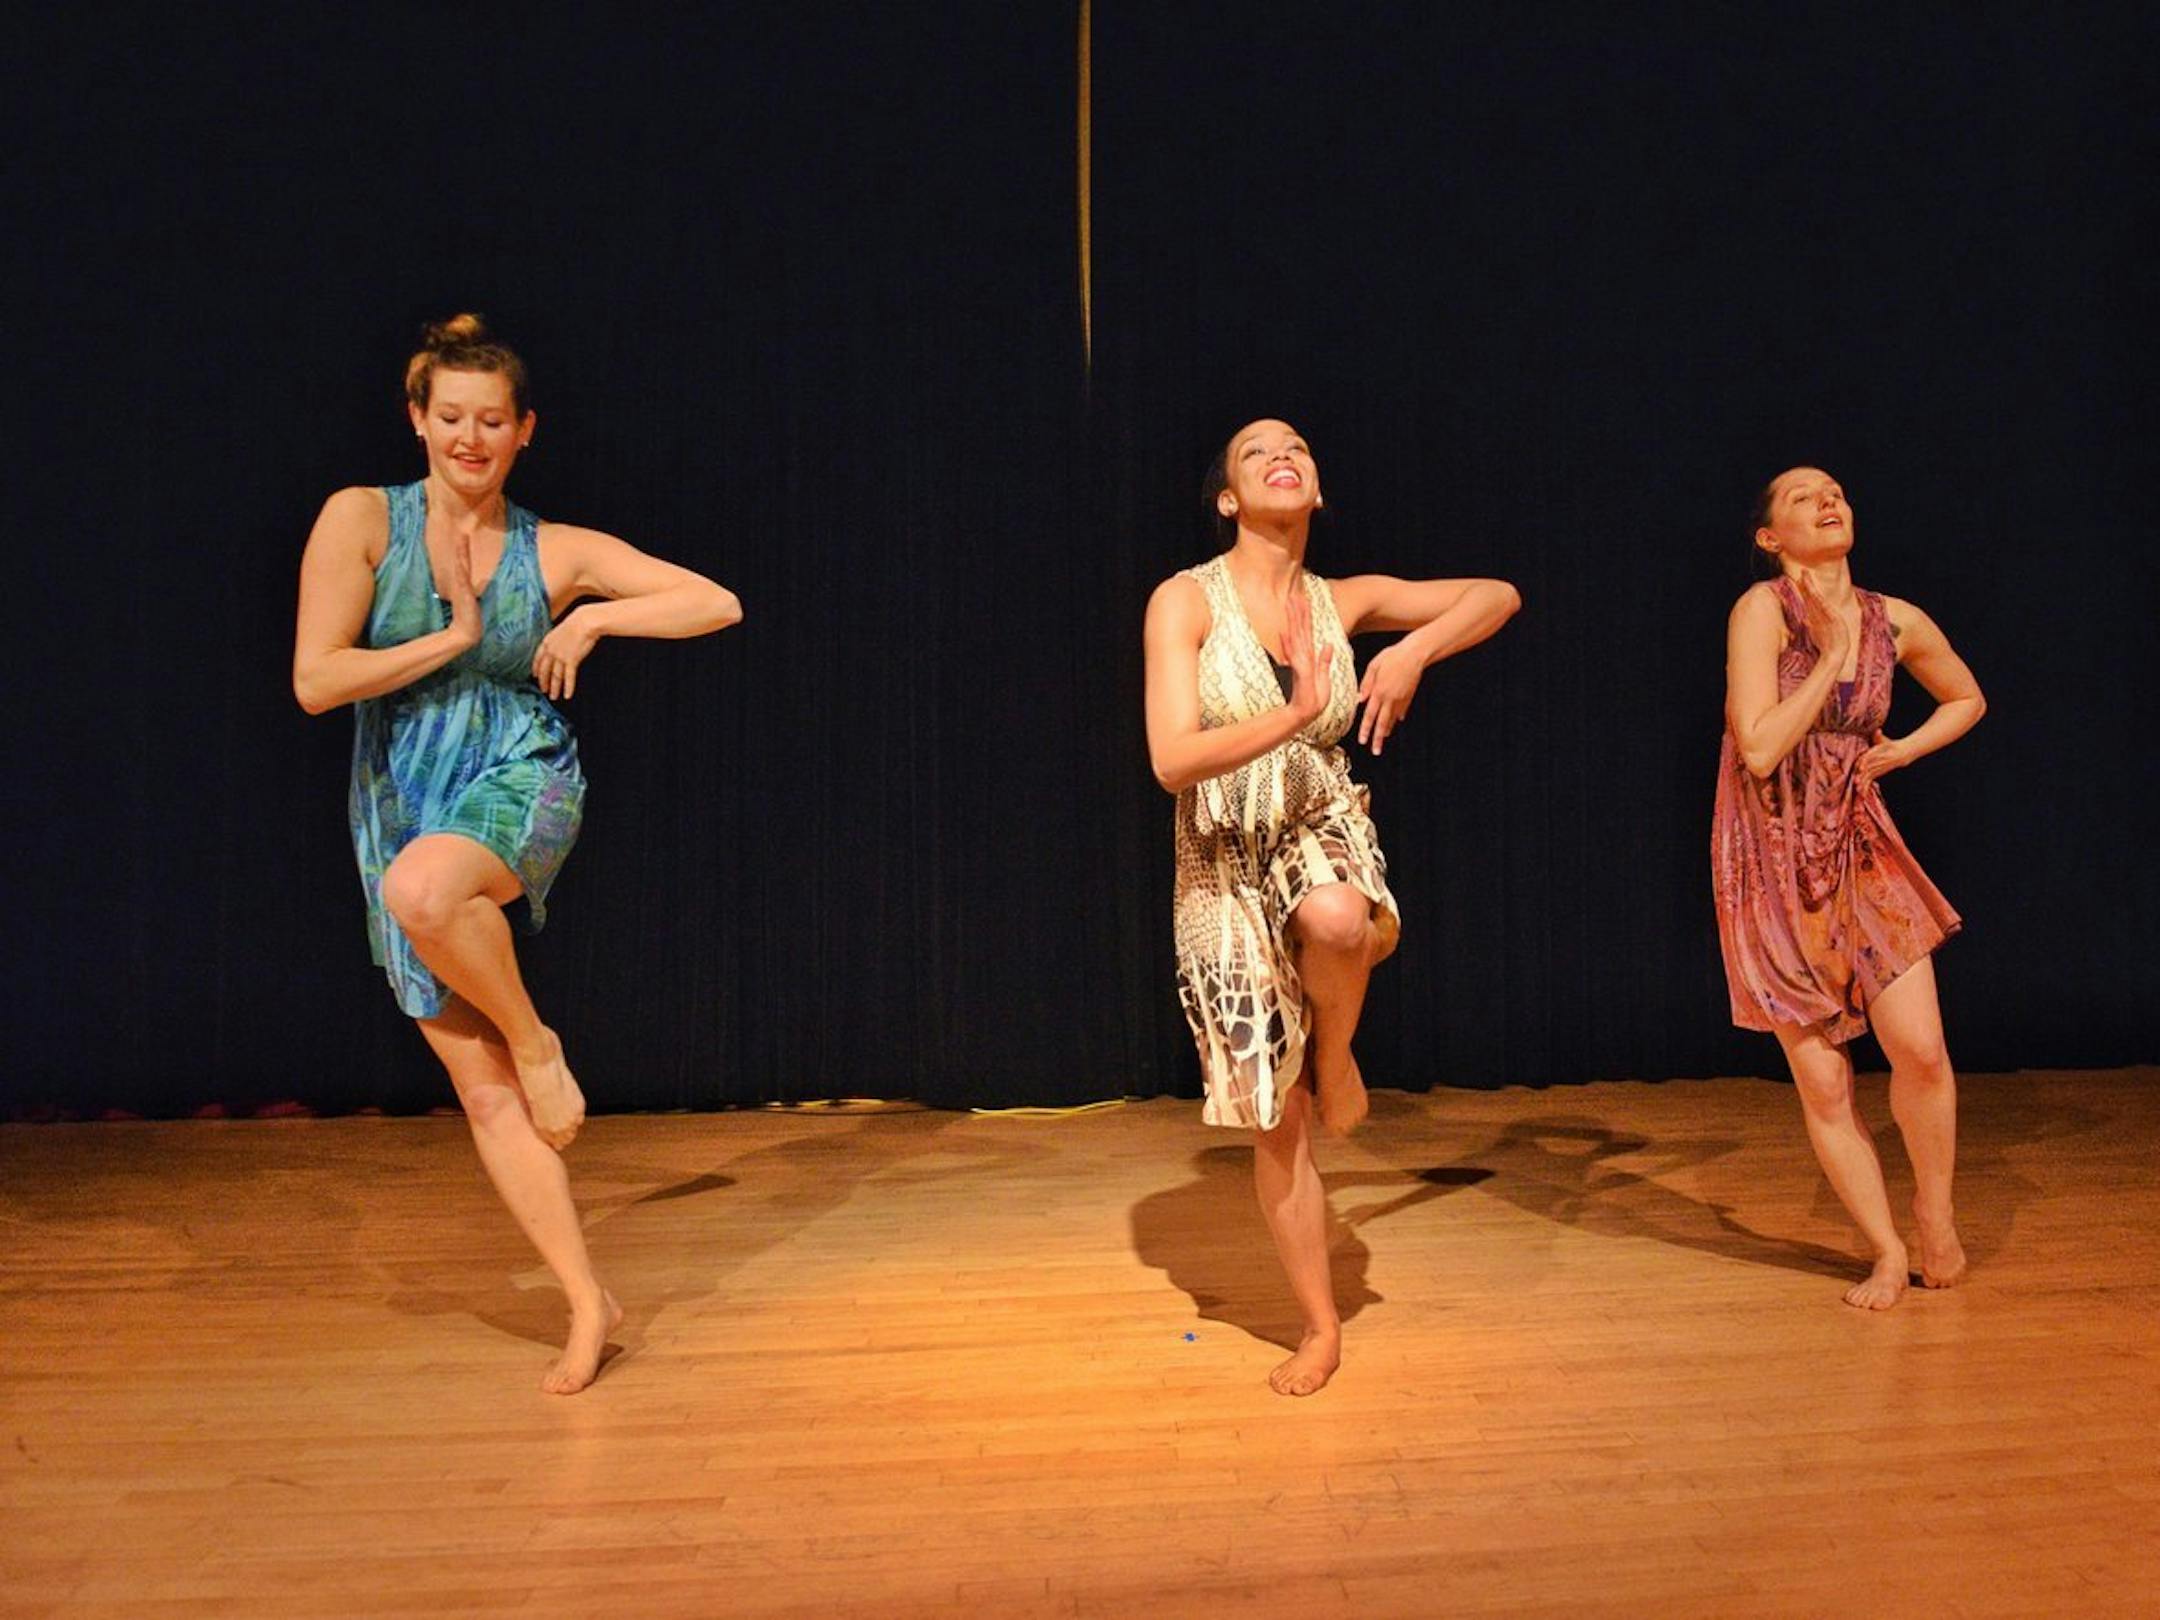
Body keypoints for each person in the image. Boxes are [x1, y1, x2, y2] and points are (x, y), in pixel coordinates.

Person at [292, 314, 741, 1392]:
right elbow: (316, 681)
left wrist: (592, 624)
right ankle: (589, 1303)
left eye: (492, 420)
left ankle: (538, 1041)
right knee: (478, 1087)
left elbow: (713, 601)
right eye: (450, 417)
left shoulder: (553, 549)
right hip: (398, 793)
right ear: (418, 420)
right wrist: (446, 636)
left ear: (524, 430)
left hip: (519, 775)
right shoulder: (362, 520)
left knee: (430, 892)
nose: (470, 437)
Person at [1142, 418, 1519, 1395]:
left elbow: (1498, 594)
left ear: (1317, 493)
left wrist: (1414, 651)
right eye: (1256, 451)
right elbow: (1172, 758)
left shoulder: (1343, 601)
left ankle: (1341, 1052)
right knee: (1279, 1116)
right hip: (1220, 856)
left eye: (1299, 449)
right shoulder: (1185, 601)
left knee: (1340, 920)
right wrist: (1292, 712)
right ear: (1229, 497)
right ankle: (1319, 1328)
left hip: (1316, 819)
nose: (1283, 454)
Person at [1714, 466, 1983, 1310]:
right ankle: (1884, 1251)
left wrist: (1903, 749)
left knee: (1922, 1049)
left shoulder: (1893, 619)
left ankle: (1933, 1213)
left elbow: (1967, 697)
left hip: (1860, 841)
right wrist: (1829, 655)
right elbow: (1757, 747)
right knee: (1825, 1081)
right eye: (1801, 497)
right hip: (1769, 851)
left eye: (1834, 492)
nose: (1827, 502)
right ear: (1770, 537)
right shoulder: (1762, 612)